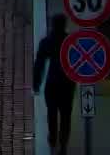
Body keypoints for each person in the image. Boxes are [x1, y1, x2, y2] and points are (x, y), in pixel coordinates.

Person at [33, 14, 75, 155]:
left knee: (52, 113)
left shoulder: (46, 42)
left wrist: (36, 83)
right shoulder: (70, 41)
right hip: (68, 83)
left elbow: (39, 64)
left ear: (52, 25)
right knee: (66, 115)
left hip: (52, 83)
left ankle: (52, 139)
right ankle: (63, 144)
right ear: (64, 25)